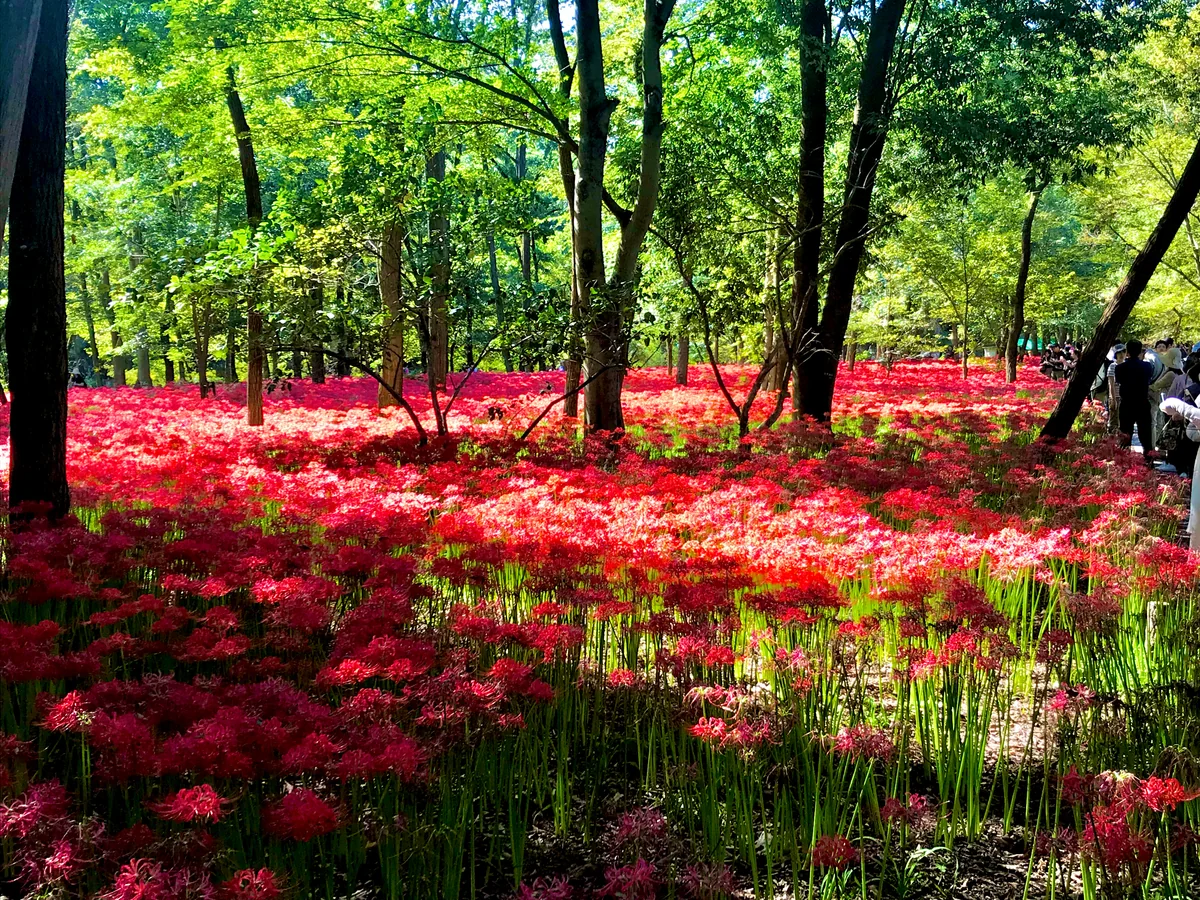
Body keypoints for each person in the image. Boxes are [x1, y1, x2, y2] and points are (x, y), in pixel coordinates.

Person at [1114, 339, 1156, 458]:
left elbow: (1119, 381)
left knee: (1125, 434)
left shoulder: (1120, 368)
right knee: (1145, 435)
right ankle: (1148, 460)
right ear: (1140, 351)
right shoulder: (1147, 366)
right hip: (1142, 402)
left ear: (1127, 351)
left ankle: (1123, 459)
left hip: (1127, 403)